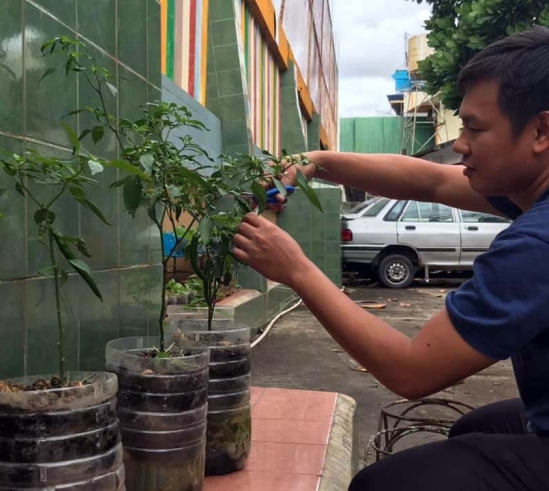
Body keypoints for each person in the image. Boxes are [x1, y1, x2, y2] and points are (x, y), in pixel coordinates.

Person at [232, 26, 549, 490]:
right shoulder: (528, 192)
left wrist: (297, 270)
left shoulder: (536, 245)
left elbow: (411, 369)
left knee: (382, 485)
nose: (461, 144)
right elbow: (430, 181)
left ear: (541, 130)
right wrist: (317, 160)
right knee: (473, 432)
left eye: (476, 129)